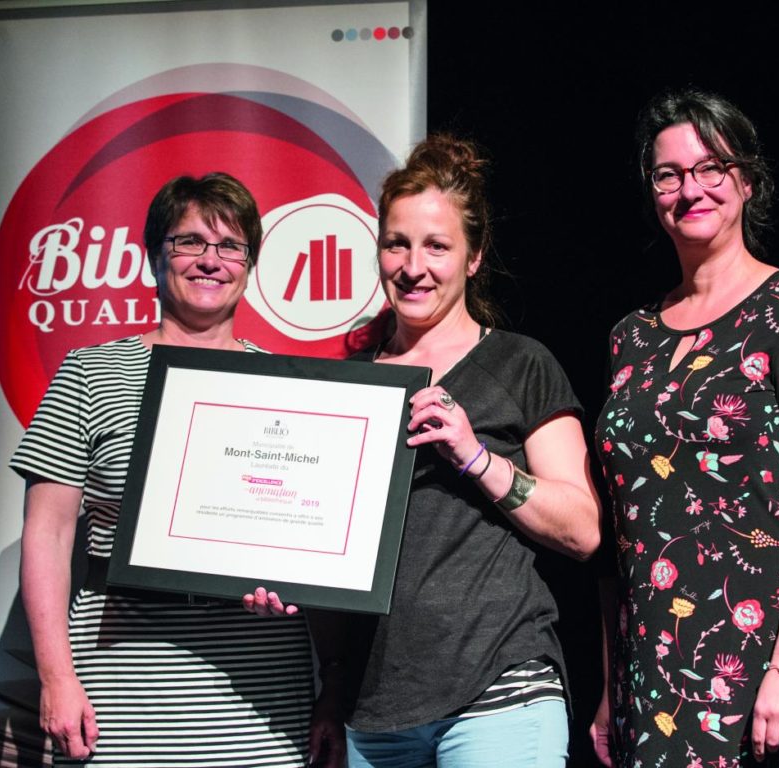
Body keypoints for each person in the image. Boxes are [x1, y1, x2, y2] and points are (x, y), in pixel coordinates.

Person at [246, 134, 602, 767]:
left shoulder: (519, 364)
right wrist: (303, 618)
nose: (414, 266)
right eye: (397, 243)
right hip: (374, 709)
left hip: (501, 690)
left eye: (438, 246)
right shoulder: (349, 382)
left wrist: (476, 457)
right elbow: (330, 561)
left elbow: (582, 530)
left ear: (473, 259)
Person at [10, 173, 341, 766]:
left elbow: (314, 553)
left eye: (230, 246)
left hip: (261, 698)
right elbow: (48, 532)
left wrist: (331, 686)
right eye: (189, 242)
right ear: (153, 257)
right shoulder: (90, 374)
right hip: (124, 696)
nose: (210, 261)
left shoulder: (290, 388)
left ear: (250, 263)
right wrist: (57, 678)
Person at [591, 88, 779, 767]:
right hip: (654, 673)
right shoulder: (629, 337)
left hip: (762, 669)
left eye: (711, 168)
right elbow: (619, 533)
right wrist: (614, 689)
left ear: (747, 180)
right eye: (669, 174)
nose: (690, 189)